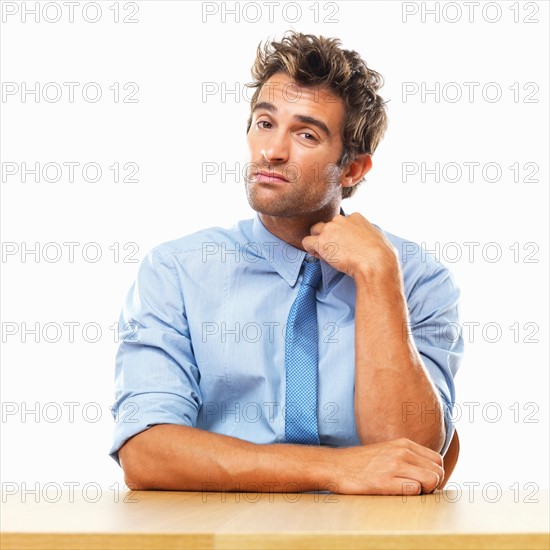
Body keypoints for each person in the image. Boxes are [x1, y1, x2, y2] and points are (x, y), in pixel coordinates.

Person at [110, 32, 463, 495]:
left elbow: (414, 456)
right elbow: (146, 453)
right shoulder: (177, 271)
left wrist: (378, 278)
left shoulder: (416, 278)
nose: (272, 151)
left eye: (306, 134)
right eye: (264, 123)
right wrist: (334, 469)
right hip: (220, 532)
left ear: (353, 169)